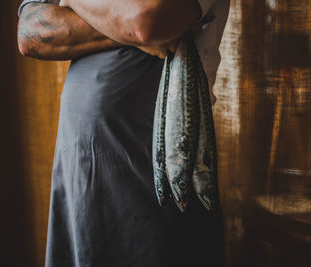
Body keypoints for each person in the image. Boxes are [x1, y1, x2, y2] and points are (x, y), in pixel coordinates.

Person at [17, 0, 230, 266]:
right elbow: (29, 33)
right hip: (81, 162)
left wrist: (70, 4)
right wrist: (123, 26)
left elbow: (145, 21)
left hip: (160, 165)